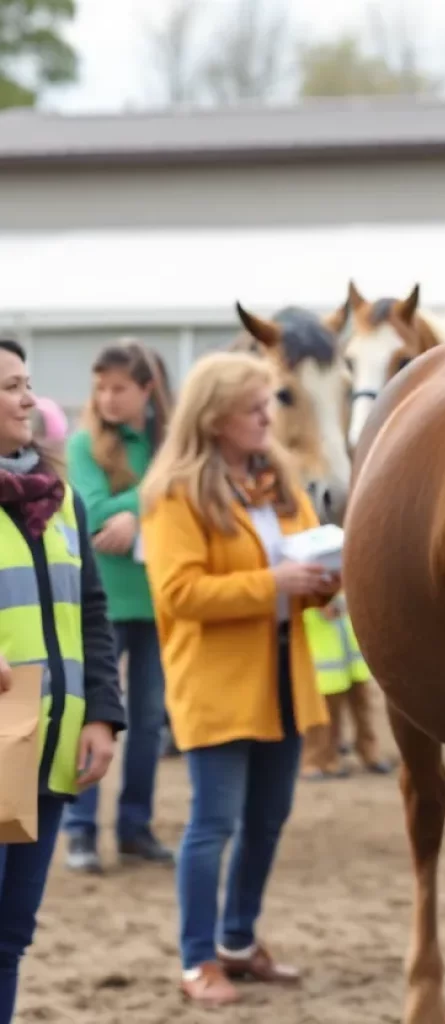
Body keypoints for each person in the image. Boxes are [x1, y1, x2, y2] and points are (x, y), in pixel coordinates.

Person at [139, 350, 336, 1007]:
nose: (267, 419)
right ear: (215, 416)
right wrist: (274, 583)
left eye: (268, 405)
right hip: (217, 680)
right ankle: (198, 959)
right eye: (254, 408)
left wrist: (322, 581)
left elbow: (310, 547)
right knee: (213, 822)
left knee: (270, 817)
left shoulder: (277, 480)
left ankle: (238, 940)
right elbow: (179, 593)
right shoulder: (174, 494)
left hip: (283, 671)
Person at [0, 339, 125, 1024]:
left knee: (11, 938)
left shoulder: (62, 499)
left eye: (27, 383)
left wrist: (103, 715)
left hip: (47, 751)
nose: (28, 399)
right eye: (11, 386)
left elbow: (94, 614)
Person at [61, 340, 175, 872]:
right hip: (102, 602)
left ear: (147, 390)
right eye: (100, 387)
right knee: (91, 715)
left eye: (119, 388)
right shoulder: (85, 445)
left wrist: (136, 515)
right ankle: (80, 830)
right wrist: (149, 500)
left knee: (149, 721)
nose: (107, 398)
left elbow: (185, 499)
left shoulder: (168, 442)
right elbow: (94, 514)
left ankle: (136, 828)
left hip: (157, 602)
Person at [300, 594, 391, 778]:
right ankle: (318, 761)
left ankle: (368, 751)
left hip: (351, 654)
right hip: (325, 658)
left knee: (363, 708)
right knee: (326, 714)